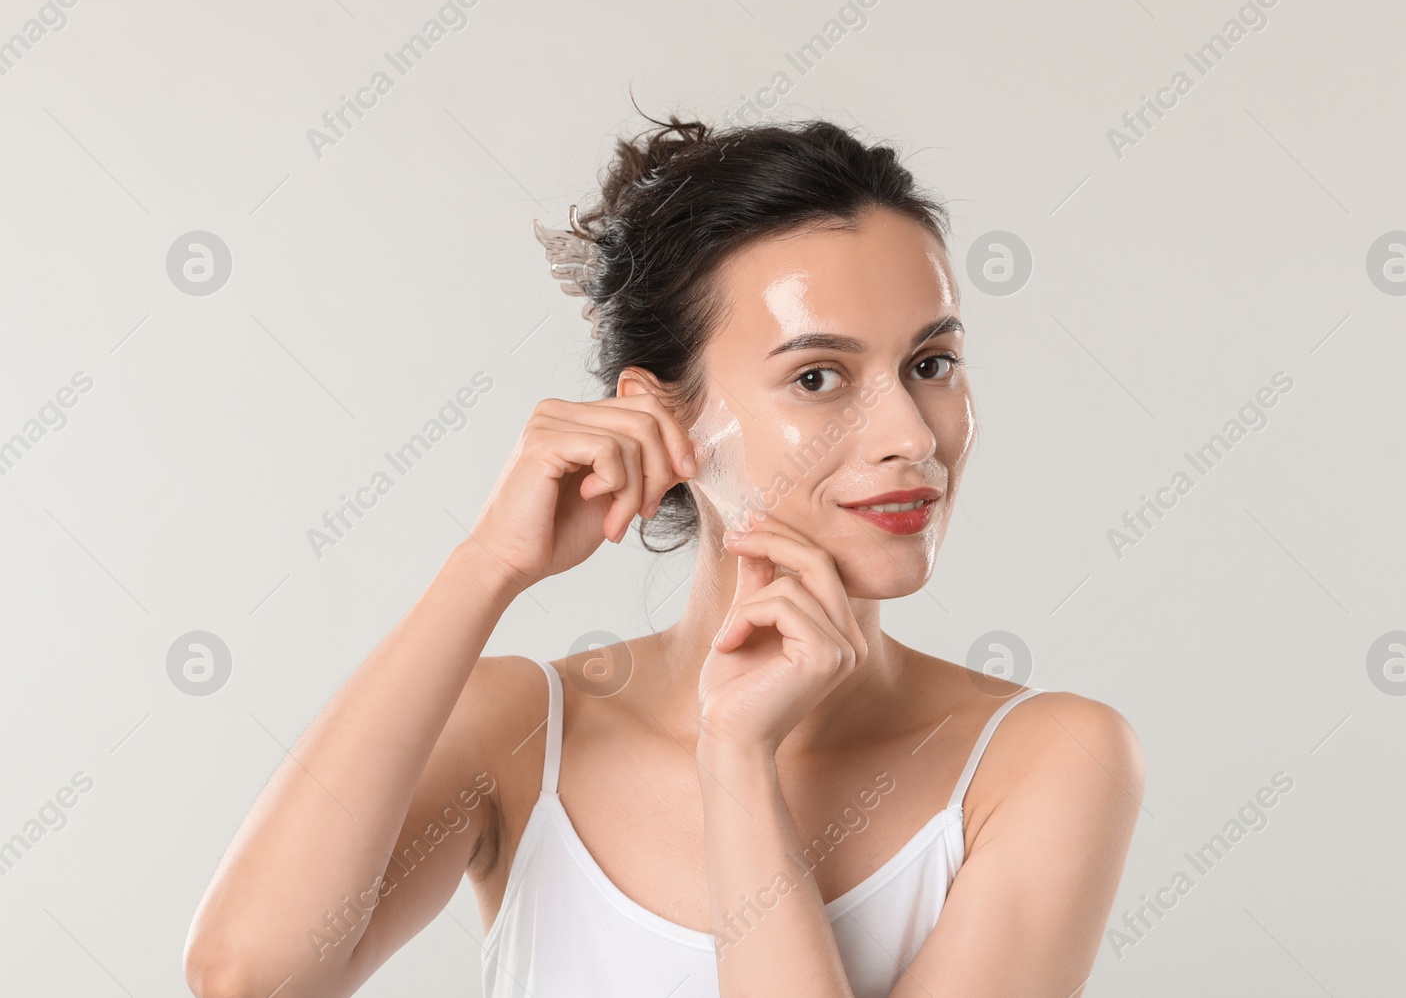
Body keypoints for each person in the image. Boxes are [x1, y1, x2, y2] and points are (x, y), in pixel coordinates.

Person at [183, 111, 1144, 998]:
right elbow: (248, 975)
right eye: (818, 376)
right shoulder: (523, 730)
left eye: (930, 364)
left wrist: (737, 761)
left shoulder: (1046, 759)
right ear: (663, 414)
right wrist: (487, 566)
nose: (910, 433)